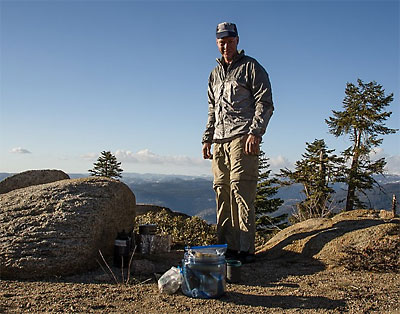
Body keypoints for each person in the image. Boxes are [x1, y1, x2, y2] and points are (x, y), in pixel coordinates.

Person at [202, 22, 274, 264]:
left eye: (230, 41)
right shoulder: (214, 74)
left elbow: (265, 103)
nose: (226, 45)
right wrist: (207, 138)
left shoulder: (251, 68)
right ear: (216, 42)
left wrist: (255, 132)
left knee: (240, 190)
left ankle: (245, 250)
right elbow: (212, 109)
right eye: (221, 41)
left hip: (242, 136)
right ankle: (225, 247)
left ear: (237, 41)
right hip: (220, 140)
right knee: (222, 191)